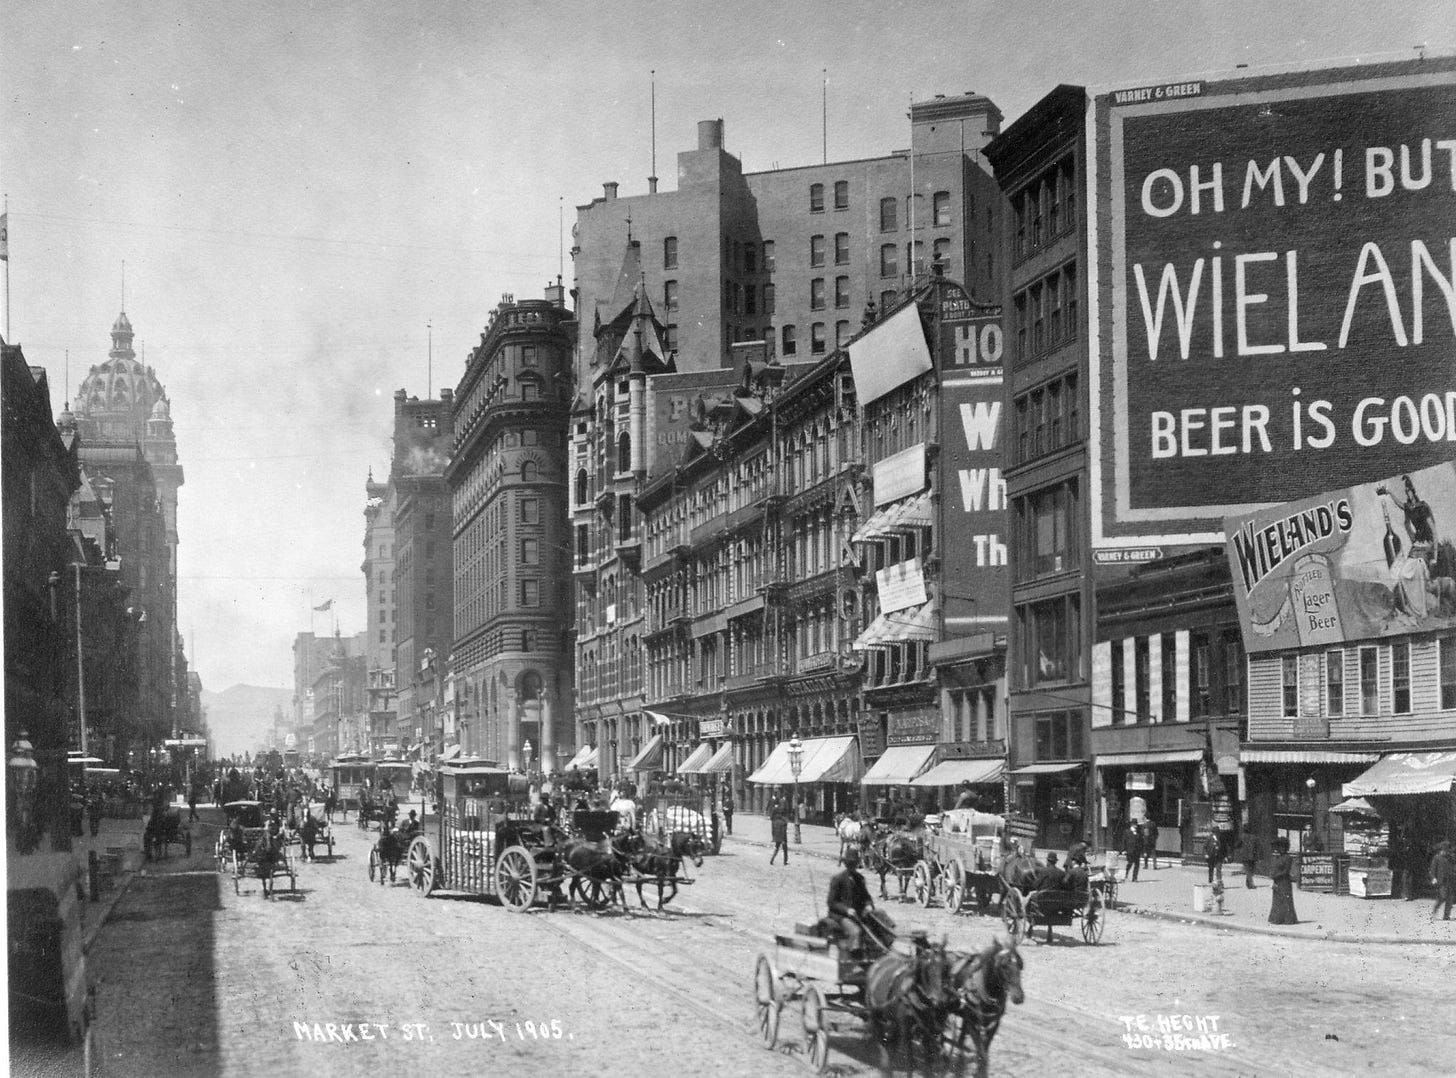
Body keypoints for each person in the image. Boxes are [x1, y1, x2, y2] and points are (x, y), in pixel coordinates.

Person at [826, 847, 877, 953]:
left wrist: (869, 905)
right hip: (840, 916)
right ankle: (855, 956)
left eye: (854, 864)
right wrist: (846, 910)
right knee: (856, 932)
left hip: (858, 914)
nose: (852, 866)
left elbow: (866, 897)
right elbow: (831, 902)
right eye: (850, 864)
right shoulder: (838, 879)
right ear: (846, 864)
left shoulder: (860, 878)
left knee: (880, 918)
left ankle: (879, 949)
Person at [1268, 836, 1298, 924]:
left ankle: (1287, 919)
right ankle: (1277, 918)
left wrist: (1276, 876)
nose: (1281, 849)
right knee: (1277, 900)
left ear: (1286, 847)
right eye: (1279, 847)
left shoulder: (1288, 858)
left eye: (1283, 847)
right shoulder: (1277, 857)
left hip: (1284, 881)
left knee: (1285, 900)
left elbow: (1286, 871)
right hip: (1277, 881)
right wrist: (1272, 875)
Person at [1430, 840, 1455, 921]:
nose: (1446, 852)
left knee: (1450, 898)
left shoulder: (1450, 858)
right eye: (1445, 850)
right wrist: (1433, 877)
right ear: (1441, 849)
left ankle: (1446, 916)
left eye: (1448, 850)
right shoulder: (1437, 858)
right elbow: (1433, 869)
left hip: (1450, 880)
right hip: (1441, 881)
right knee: (1442, 896)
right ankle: (1435, 911)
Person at [769, 792, 790, 866]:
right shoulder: (783, 817)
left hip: (776, 829)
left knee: (777, 846)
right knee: (785, 847)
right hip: (782, 830)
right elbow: (785, 822)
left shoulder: (775, 810)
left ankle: (772, 859)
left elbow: (771, 818)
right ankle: (785, 861)